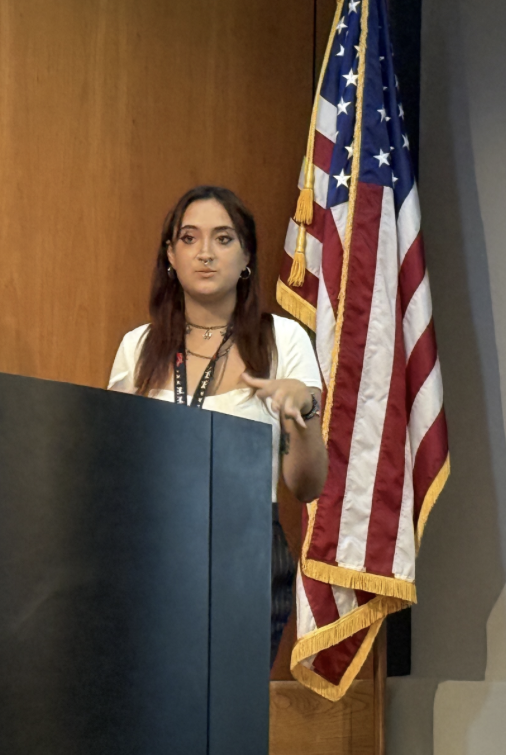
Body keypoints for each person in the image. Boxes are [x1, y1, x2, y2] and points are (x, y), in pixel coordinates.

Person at [107, 185, 328, 668]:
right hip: (151, 553)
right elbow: (116, 475)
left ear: (246, 255)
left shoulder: (281, 340)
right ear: (171, 254)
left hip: (244, 552)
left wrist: (304, 413)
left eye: (223, 239)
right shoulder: (137, 347)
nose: (205, 253)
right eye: (189, 238)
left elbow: (307, 486)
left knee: (228, 720)